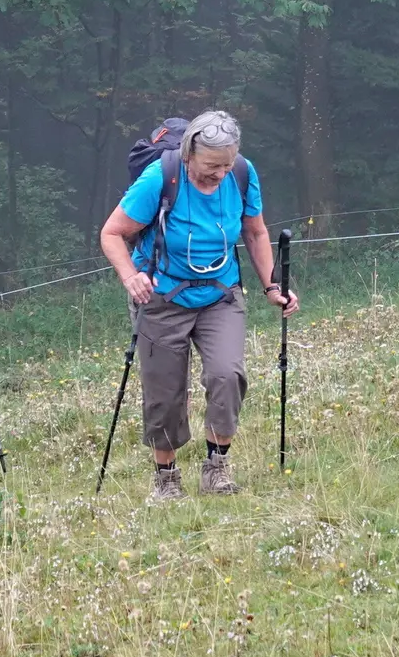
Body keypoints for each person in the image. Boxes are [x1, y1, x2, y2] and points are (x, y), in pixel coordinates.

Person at [97, 109, 298, 499]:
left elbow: (255, 232)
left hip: (220, 294)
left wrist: (272, 286)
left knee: (227, 375)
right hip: (161, 297)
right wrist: (130, 276)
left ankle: (216, 468)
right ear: (189, 154)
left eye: (226, 165)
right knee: (165, 392)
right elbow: (112, 233)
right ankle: (167, 478)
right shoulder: (160, 177)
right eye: (211, 166)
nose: (219, 174)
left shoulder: (242, 173)